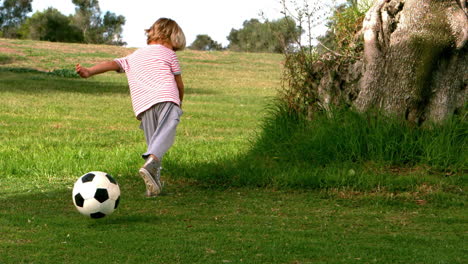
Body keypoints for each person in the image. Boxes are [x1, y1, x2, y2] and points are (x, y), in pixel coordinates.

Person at [76, 18, 186, 197]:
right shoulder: (169, 54)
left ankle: (152, 187)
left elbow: (113, 64)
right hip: (166, 98)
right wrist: (179, 104)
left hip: (144, 105)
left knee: (154, 144)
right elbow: (179, 84)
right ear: (172, 37)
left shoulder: (134, 56)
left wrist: (89, 71)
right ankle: (151, 167)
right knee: (164, 136)